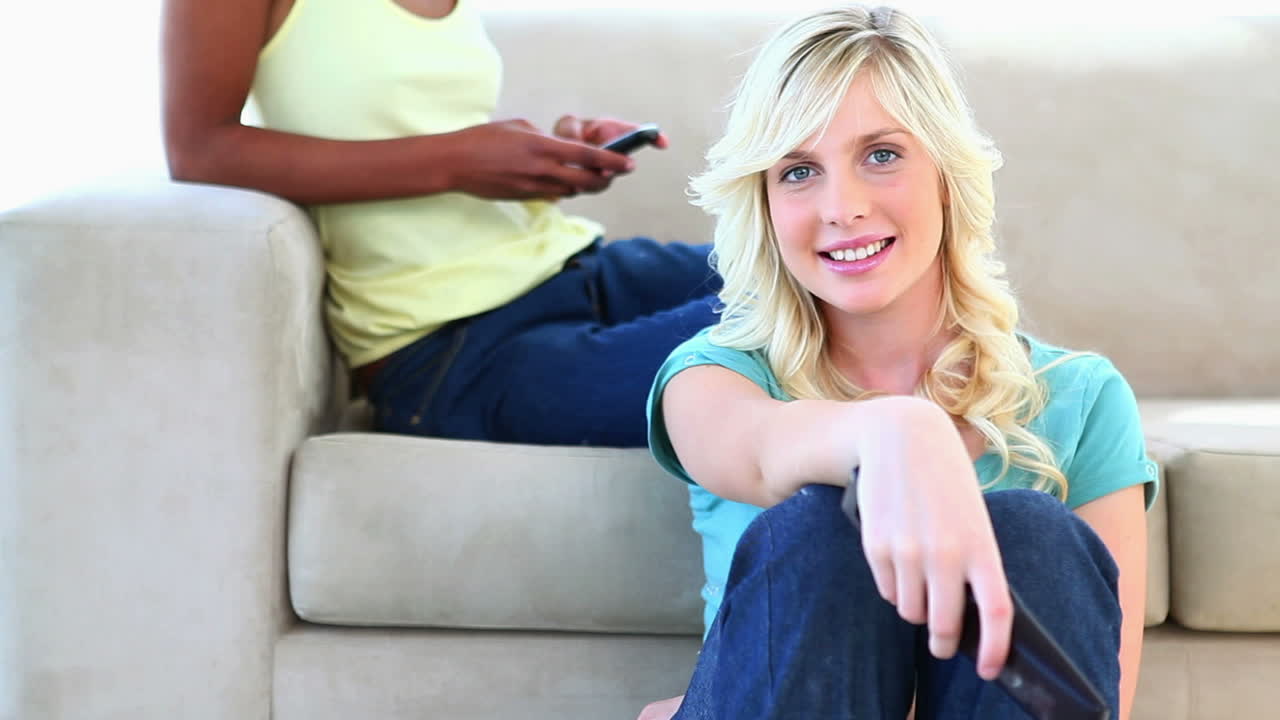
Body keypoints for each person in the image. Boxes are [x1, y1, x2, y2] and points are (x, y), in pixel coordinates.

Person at [641, 6, 1158, 719]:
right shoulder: (716, 377)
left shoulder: (1082, 397)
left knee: (1029, 534)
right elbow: (759, 450)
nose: (842, 207)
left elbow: (1095, 699)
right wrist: (897, 431)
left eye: (881, 155)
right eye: (798, 171)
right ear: (763, 203)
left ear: (945, 174)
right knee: (824, 528)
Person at [160, 0, 720, 447]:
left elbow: (419, 129)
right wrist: (461, 161)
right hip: (456, 349)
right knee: (771, 327)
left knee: (772, 270)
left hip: (570, 268)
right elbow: (199, 149)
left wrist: (546, 162)